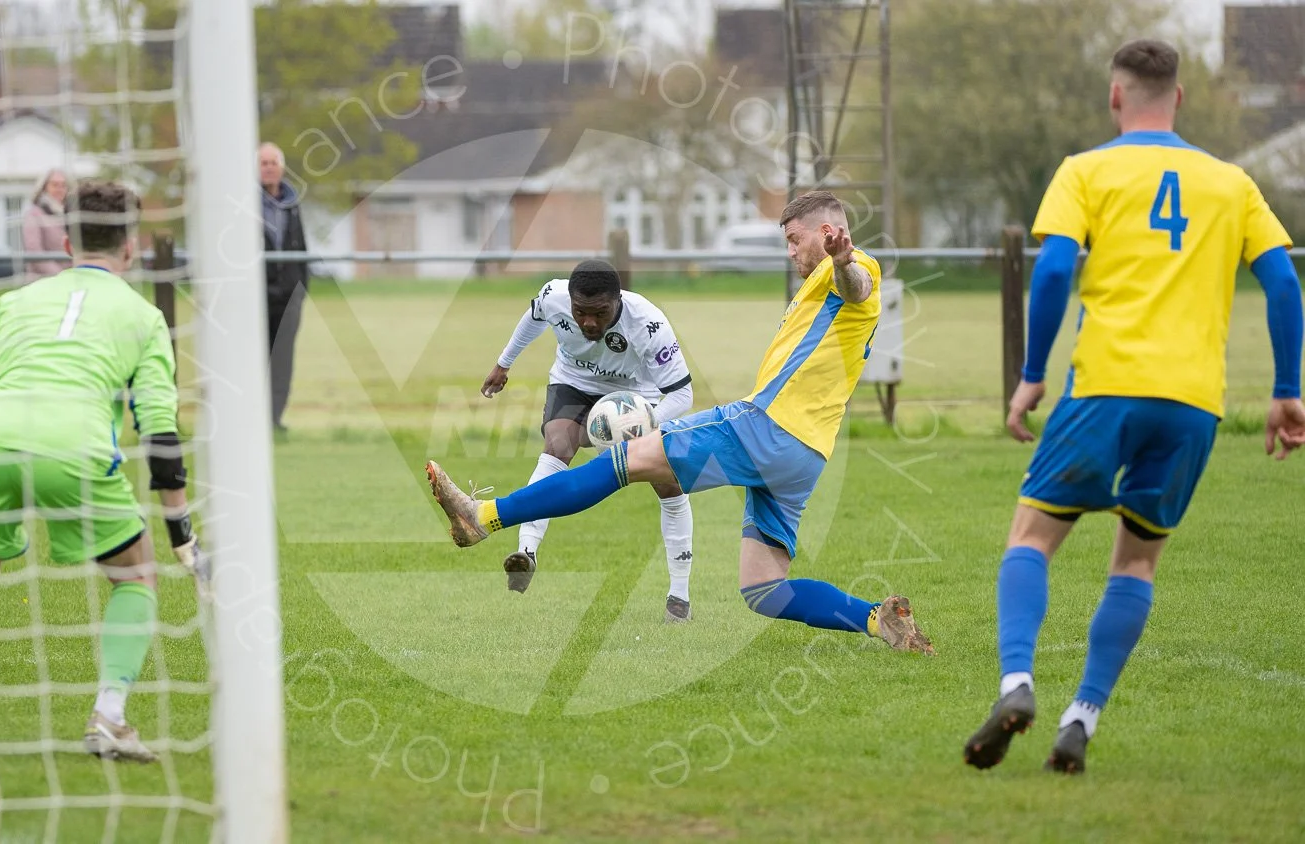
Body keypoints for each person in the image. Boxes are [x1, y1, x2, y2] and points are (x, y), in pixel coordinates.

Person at [963, 39, 1305, 775]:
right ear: (1178, 97)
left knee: (1031, 537)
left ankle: (1017, 683)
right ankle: (1081, 719)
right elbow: (1283, 283)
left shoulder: (1085, 171)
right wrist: (1287, 390)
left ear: (1116, 96)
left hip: (1104, 390)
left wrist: (1032, 375)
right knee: (1138, 558)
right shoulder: (1232, 183)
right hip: (1192, 404)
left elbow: (1054, 269)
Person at [426, 191, 935, 653]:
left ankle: (484, 517)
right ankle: (878, 621)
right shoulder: (815, 287)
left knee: (621, 462)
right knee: (764, 589)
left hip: (765, 426)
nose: (790, 252)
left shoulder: (851, 267)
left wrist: (843, 261)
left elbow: (857, 286)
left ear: (827, 233)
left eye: (794, 240)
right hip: (805, 454)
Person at [0, 180, 209, 763]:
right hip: (75, 448)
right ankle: (109, 719)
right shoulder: (144, 316)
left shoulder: (15, 302)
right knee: (136, 577)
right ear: (130, 247)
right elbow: (159, 430)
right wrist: (182, 535)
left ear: (66, 244)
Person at [482, 259, 698, 622]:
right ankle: (526, 552)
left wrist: (643, 424)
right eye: (580, 312)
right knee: (557, 446)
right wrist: (504, 364)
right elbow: (534, 317)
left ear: (617, 301)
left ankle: (679, 597)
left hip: (637, 397)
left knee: (668, 483)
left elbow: (682, 394)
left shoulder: (649, 323)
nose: (588, 323)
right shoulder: (553, 295)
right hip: (574, 383)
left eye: (599, 313)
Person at [259, 142, 309, 436]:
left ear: (281, 168)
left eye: (273, 163)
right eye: (263, 163)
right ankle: (255, 419)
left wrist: (301, 288)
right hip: (257, 296)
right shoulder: (245, 204)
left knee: (282, 360)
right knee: (257, 357)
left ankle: (275, 420)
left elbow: (301, 247)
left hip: (289, 295)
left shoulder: (292, 204)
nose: (268, 168)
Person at [21, 168, 70, 281]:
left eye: (63, 185)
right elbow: (34, 251)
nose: (59, 189)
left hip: (70, 280)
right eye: (55, 185)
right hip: (42, 280)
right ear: (44, 187)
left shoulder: (71, 213)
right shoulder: (34, 214)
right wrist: (61, 276)